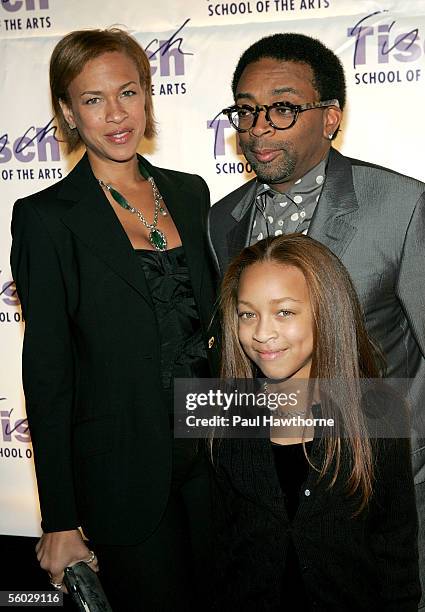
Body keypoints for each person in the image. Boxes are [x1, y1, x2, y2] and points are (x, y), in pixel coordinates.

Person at [207, 32, 425, 607]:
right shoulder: (221, 219)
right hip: (267, 505)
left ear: (330, 118)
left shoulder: (400, 206)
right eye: (247, 109)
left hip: (373, 496)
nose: (258, 127)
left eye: (282, 107)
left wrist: (400, 456)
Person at [10, 28, 219, 611]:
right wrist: (60, 519)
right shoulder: (46, 218)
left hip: (215, 462)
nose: (115, 114)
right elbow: (48, 372)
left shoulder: (191, 193)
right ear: (68, 112)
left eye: (127, 92)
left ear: (148, 95)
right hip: (121, 475)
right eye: (92, 100)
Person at [212, 233, 421, 611]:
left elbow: (396, 556)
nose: (262, 333)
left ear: (327, 311)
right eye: (248, 314)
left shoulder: (378, 414)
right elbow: (220, 553)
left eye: (285, 312)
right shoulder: (223, 418)